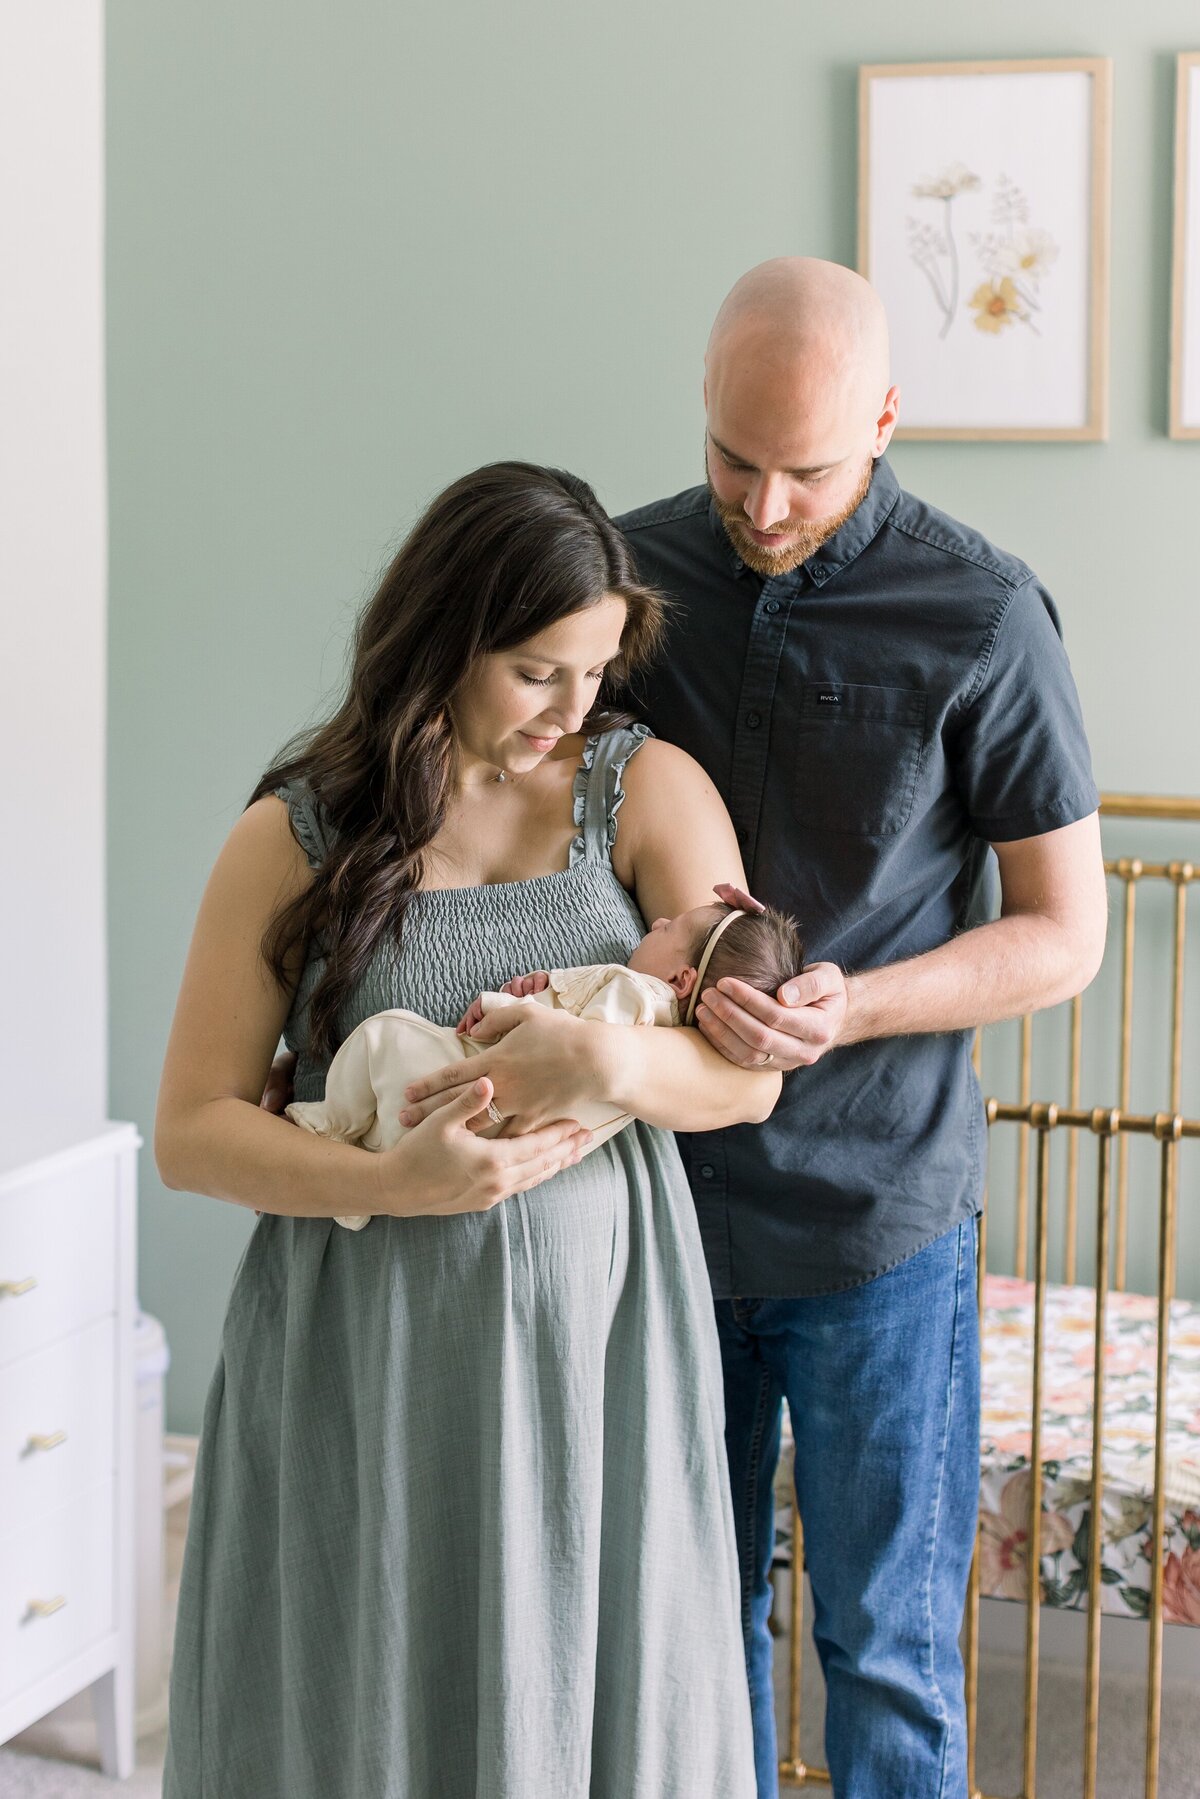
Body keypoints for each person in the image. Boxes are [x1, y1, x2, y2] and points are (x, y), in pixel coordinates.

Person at [394, 261, 1108, 1799]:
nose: (766, 503)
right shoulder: (630, 579)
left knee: (889, 1653)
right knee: (671, 1629)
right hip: (649, 1202)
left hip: (878, 1220)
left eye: (811, 469)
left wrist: (859, 1002)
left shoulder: (985, 610)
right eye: (734, 459)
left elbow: (1070, 931)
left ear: (891, 421)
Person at [155, 461, 781, 1799]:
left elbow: (747, 1079)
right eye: (536, 672)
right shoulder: (297, 833)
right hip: (361, 1346)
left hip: (598, 1350)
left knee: (590, 1690)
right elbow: (193, 1128)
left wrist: (596, 1053)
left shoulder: (648, 790)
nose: (572, 712)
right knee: (362, 1692)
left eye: (595, 673)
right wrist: (398, 1179)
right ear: (445, 636)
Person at [284, 897, 803, 1230]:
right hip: (505, 1142)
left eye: (671, 929)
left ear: (682, 980)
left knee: (385, 1035)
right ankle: (361, 1168)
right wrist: (549, 988)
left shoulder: (635, 991)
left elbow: (567, 1044)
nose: (660, 920)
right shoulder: (673, 1049)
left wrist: (501, 1006)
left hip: (470, 1083)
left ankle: (334, 1125)